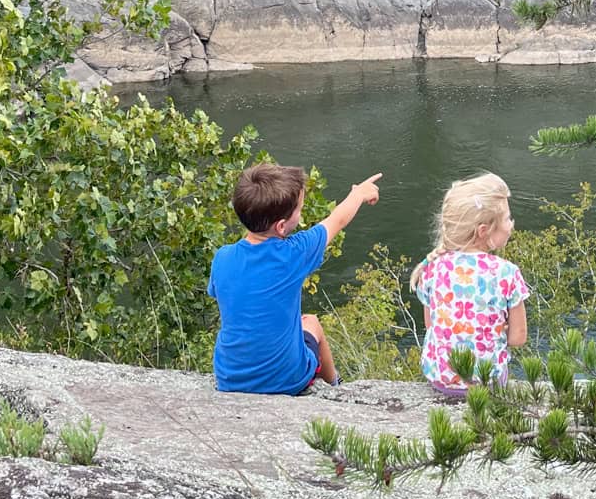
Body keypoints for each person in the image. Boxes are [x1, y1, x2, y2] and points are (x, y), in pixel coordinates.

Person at [208, 161, 382, 394]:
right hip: (286, 379)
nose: (300, 215)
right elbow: (336, 220)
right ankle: (335, 386)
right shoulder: (293, 253)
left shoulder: (223, 257)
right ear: (281, 226)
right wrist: (358, 194)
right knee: (311, 323)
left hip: (230, 378)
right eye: (299, 210)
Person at [410, 172, 528, 396]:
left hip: (439, 379)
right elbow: (518, 337)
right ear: (483, 231)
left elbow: (431, 325)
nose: (511, 225)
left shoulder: (433, 267)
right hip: (488, 384)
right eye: (506, 219)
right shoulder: (507, 272)